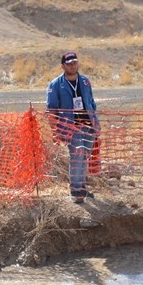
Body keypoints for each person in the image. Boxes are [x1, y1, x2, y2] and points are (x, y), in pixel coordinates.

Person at [46, 51, 99, 203]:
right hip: (70, 127)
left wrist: (96, 123)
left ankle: (82, 187)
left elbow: (91, 103)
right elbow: (51, 110)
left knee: (85, 156)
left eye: (75, 62)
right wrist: (55, 130)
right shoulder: (55, 84)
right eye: (69, 63)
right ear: (63, 66)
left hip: (88, 125)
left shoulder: (85, 81)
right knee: (76, 156)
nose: (73, 65)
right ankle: (75, 191)